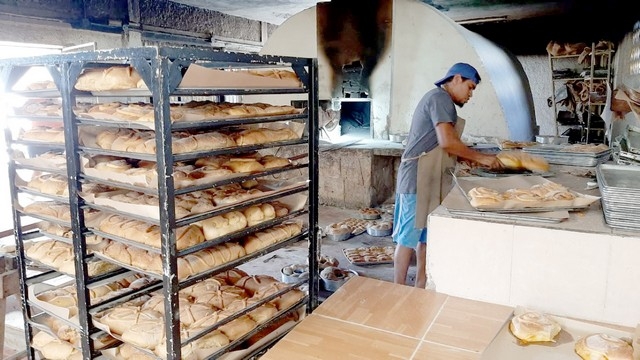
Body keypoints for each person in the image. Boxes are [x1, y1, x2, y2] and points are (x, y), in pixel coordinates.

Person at [392, 62, 503, 287]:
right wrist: (481, 158)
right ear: (457, 79)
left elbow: (442, 145)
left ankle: (420, 287)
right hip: (416, 178)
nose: (471, 94)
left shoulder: (444, 103)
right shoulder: (440, 99)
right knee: (407, 239)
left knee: (425, 236)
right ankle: (397, 290)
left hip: (431, 177)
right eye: (470, 87)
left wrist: (466, 159)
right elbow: (447, 142)